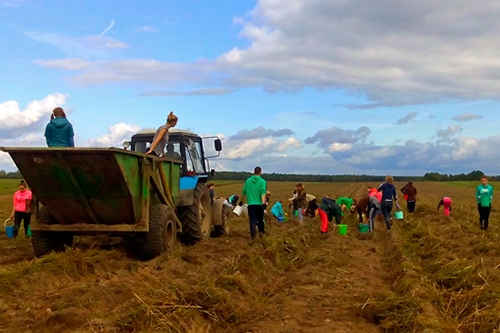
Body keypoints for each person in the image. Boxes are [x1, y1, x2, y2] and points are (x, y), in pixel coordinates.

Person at [240, 166, 267, 240]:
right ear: (260, 172)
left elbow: (244, 192)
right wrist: (263, 202)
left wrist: (241, 200)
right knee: (260, 220)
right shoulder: (262, 181)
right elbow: (263, 193)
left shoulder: (248, 181)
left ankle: (253, 236)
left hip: (251, 204)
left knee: (252, 221)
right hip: (259, 204)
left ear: (254, 172)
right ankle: (262, 233)